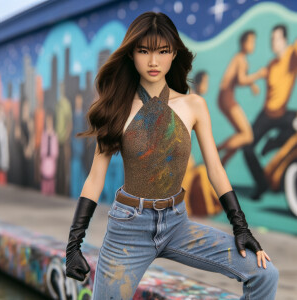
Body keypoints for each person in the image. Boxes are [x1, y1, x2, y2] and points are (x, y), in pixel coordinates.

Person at [65, 12, 279, 300]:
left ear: (173, 53)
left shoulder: (194, 105)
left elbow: (215, 169)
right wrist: (74, 244)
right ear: (132, 54)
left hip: (177, 223)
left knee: (265, 273)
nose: (154, 62)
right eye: (144, 51)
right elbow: (94, 178)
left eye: (162, 51)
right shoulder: (116, 109)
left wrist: (240, 226)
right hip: (128, 228)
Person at [242, 24, 297, 200]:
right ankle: (261, 183)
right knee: (247, 147)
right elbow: (251, 77)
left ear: (285, 40)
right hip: (267, 115)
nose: (273, 42)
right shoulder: (271, 64)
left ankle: (276, 141)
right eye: (271, 38)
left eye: (276, 38)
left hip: (284, 114)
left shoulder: (291, 58)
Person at [217, 30, 267, 166]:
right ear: (243, 43)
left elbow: (238, 79)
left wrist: (252, 85)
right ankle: (215, 151)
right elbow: (241, 79)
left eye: (254, 42)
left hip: (225, 97)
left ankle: (221, 163)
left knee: (242, 136)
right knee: (247, 135)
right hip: (226, 97)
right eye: (251, 41)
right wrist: (259, 75)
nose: (253, 45)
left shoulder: (240, 58)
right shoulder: (240, 58)